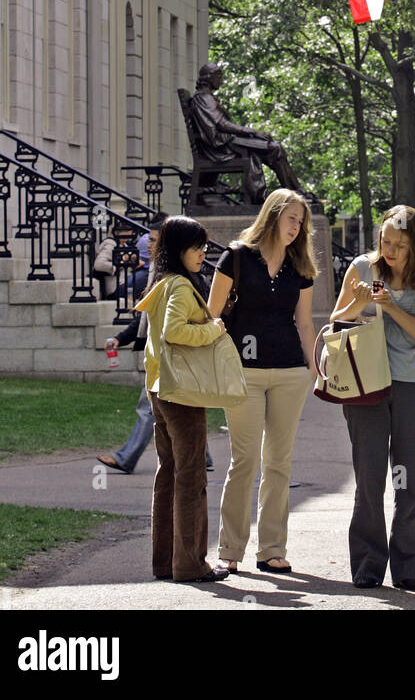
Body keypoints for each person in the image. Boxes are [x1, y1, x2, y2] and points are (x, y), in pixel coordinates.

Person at [331, 205, 415, 590]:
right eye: (386, 241)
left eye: (400, 244)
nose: (391, 250)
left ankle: (409, 565)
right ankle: (368, 563)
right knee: (370, 476)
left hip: (410, 383)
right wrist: (359, 303)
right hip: (365, 382)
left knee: (407, 477)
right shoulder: (362, 267)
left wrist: (392, 307)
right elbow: (336, 323)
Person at [207, 189, 317, 575]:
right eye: (291, 218)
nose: (297, 227)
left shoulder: (300, 266)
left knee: (279, 463)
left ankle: (271, 549)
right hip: (243, 374)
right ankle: (229, 549)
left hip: (289, 372)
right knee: (245, 460)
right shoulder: (236, 257)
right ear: (272, 216)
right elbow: (212, 315)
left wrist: (312, 367)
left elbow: (304, 322)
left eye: (301, 221)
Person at [135, 217, 229, 583]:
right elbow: (175, 331)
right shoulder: (178, 287)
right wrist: (213, 328)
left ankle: (166, 562)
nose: (203, 253)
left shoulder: (161, 283)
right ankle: (191, 563)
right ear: (178, 250)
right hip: (181, 391)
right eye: (197, 246)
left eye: (204, 246)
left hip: (159, 387)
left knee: (170, 474)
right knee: (190, 477)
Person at [98, 216, 214, 475]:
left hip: (171, 360)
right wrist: (122, 338)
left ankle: (128, 457)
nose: (148, 245)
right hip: (169, 359)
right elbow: (147, 317)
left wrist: (213, 330)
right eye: (148, 240)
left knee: (153, 409)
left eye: (154, 240)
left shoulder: (177, 282)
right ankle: (201, 456)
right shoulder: (166, 276)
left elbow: (182, 326)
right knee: (185, 409)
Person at [190, 63, 299, 205]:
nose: (221, 80)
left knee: (271, 149)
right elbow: (222, 125)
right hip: (222, 147)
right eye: (219, 76)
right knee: (275, 148)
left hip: (228, 143)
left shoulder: (207, 97)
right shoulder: (203, 98)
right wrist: (253, 131)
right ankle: (292, 194)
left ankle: (289, 193)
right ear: (209, 77)